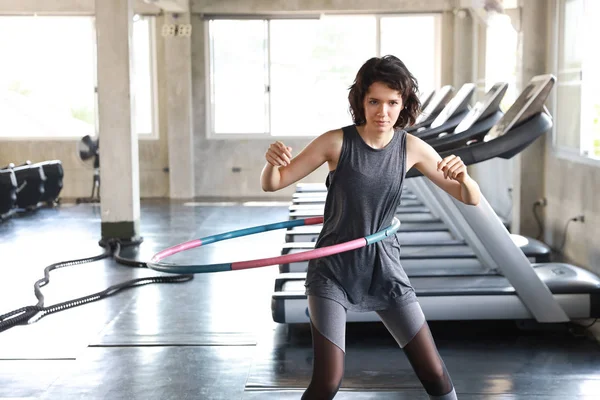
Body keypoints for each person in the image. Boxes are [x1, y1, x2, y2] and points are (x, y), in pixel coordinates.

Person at [260, 55, 481, 400]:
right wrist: (271, 164)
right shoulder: (335, 142)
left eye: (393, 103)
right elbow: (274, 183)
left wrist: (464, 177)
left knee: (434, 372)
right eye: (374, 101)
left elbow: (470, 198)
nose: (383, 112)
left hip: (384, 268)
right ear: (360, 102)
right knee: (328, 380)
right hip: (333, 269)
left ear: (404, 104)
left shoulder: (411, 148)